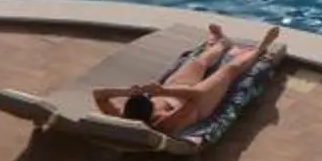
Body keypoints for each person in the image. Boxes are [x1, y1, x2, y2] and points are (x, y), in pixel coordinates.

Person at [92, 25, 280, 131]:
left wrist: (127, 92)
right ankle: (260, 49)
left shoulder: (125, 118)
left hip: (176, 91)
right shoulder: (163, 123)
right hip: (198, 105)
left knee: (199, 62)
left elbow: (98, 94)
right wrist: (162, 91)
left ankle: (222, 43)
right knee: (229, 70)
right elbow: (195, 97)